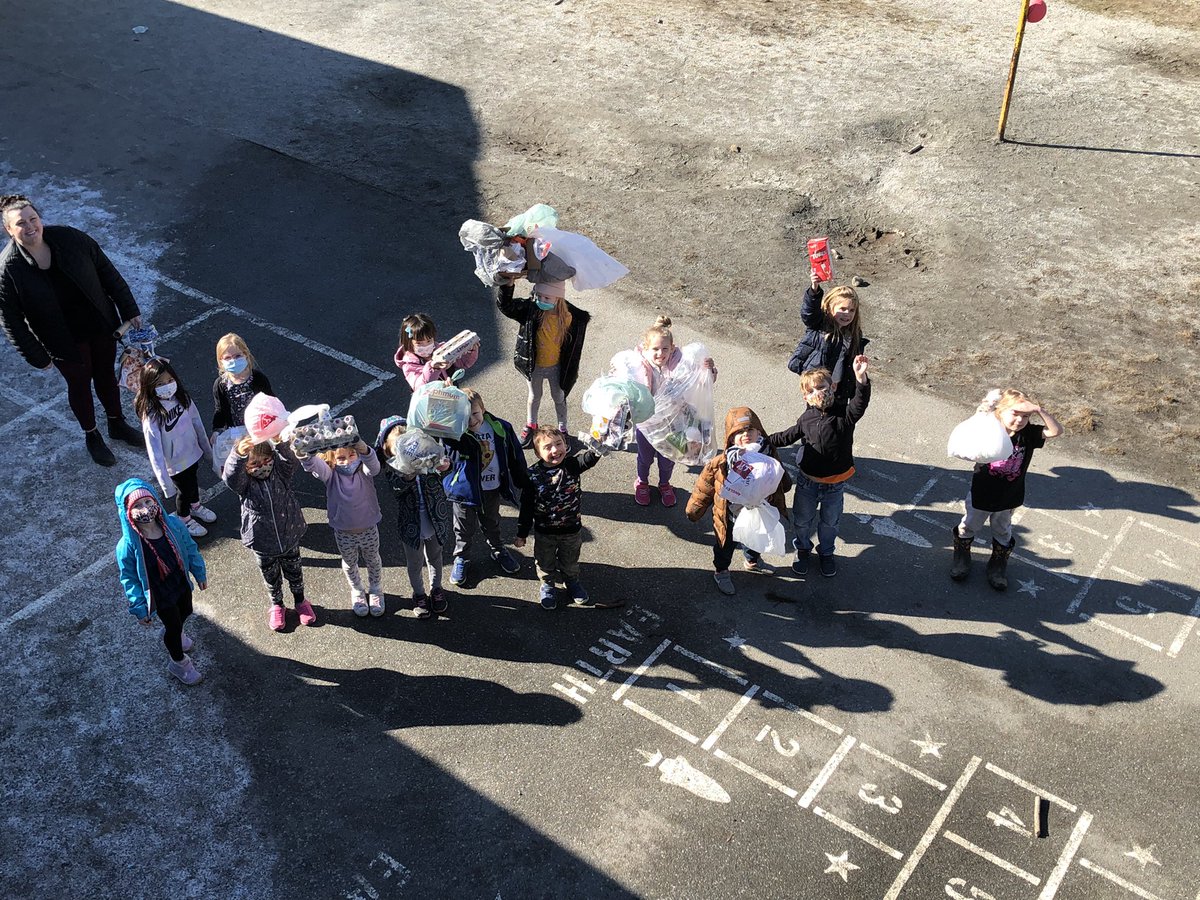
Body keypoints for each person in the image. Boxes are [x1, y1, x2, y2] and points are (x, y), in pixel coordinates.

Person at [0, 194, 144, 466]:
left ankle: (117, 424)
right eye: (20, 223)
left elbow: (106, 270)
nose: (30, 226)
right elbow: (11, 321)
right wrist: (38, 357)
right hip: (63, 341)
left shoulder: (71, 239)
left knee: (105, 376)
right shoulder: (8, 269)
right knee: (79, 385)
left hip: (100, 325)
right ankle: (92, 435)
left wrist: (129, 308)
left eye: (33, 219)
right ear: (8, 229)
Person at [951, 388, 1062, 590]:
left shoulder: (1028, 434)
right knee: (969, 525)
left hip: (1009, 496)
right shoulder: (991, 427)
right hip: (982, 493)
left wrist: (1039, 409)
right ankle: (961, 555)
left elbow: (1056, 431)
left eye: (1025, 416)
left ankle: (998, 563)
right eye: (1015, 413)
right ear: (1001, 412)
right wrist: (990, 405)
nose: (1020, 420)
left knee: (1002, 530)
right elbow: (979, 417)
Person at [768, 359, 871, 578]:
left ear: (832, 387)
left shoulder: (844, 415)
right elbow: (787, 436)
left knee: (829, 523)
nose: (818, 392)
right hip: (808, 482)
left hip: (835, 485)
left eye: (822, 387)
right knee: (803, 520)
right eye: (812, 390)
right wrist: (762, 441)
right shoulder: (806, 418)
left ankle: (826, 553)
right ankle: (802, 549)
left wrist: (861, 379)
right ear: (805, 397)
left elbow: (860, 403)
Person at [686, 408, 792, 596]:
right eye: (739, 432)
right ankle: (721, 570)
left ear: (759, 432)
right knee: (725, 547)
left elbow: (779, 473)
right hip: (729, 517)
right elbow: (704, 487)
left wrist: (784, 485)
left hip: (757, 512)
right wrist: (695, 508)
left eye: (750, 430)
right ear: (730, 438)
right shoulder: (722, 462)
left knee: (754, 540)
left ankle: (752, 561)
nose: (745, 435)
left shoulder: (768, 455)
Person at [114, 478, 208, 685]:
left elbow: (190, 548)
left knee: (186, 611)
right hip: (159, 592)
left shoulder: (173, 525)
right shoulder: (127, 546)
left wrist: (199, 572)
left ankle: (178, 630)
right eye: (137, 506)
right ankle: (179, 663)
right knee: (172, 627)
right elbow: (129, 578)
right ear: (127, 513)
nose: (145, 509)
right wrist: (139, 606)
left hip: (179, 581)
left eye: (148, 502)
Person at [223, 433, 315, 631]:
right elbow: (230, 478)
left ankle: (300, 601)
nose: (262, 465)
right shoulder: (244, 484)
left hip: (288, 535)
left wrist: (280, 443)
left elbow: (290, 460)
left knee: (295, 572)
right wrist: (237, 456)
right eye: (254, 462)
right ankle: (277, 605)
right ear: (245, 466)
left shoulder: (280, 473)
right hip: (262, 542)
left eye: (266, 459)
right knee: (271, 578)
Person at [625, 315, 717, 508]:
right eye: (655, 349)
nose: (660, 353)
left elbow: (699, 383)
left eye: (665, 349)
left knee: (668, 458)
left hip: (675, 424)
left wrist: (708, 370)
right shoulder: (639, 367)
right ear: (646, 348)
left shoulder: (681, 365)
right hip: (648, 423)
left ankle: (664, 484)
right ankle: (642, 482)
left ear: (673, 348)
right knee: (645, 456)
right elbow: (626, 384)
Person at [444, 388, 525, 586]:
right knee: (463, 528)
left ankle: (498, 549)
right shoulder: (454, 435)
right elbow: (445, 455)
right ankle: (461, 557)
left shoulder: (501, 428)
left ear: (483, 409)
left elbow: (515, 454)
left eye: (475, 413)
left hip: (491, 489)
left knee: (492, 522)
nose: (471, 421)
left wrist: (523, 479)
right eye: (464, 416)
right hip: (465, 492)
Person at [515, 426, 603, 609]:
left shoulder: (571, 465)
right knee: (544, 561)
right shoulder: (532, 476)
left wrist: (600, 445)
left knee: (570, 560)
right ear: (538, 453)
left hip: (571, 529)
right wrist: (522, 533)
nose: (555, 450)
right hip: (544, 531)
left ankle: (571, 581)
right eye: (548, 447)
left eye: (559, 443)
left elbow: (589, 458)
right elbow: (526, 507)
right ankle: (547, 584)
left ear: (565, 444)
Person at [496, 278, 590, 448]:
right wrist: (507, 286)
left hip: (558, 368)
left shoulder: (571, 318)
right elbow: (506, 307)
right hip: (535, 366)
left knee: (559, 397)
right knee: (534, 396)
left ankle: (563, 428)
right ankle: (531, 425)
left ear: (558, 298)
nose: (542, 301)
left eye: (547, 298)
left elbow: (573, 349)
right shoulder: (531, 311)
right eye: (539, 296)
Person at [377, 416, 453, 618]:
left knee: (436, 557)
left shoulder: (427, 458)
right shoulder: (393, 469)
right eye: (397, 447)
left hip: (435, 520)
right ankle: (419, 594)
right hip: (411, 526)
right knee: (414, 563)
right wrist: (407, 476)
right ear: (388, 450)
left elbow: (444, 470)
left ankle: (436, 589)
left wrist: (446, 466)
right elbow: (396, 490)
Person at [299, 438, 385, 617]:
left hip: (368, 528)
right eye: (341, 458)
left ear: (358, 454)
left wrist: (364, 448)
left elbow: (375, 466)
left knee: (373, 559)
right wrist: (303, 454)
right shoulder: (330, 474)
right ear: (332, 461)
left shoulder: (364, 470)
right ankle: (357, 590)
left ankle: (376, 589)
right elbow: (314, 464)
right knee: (349, 563)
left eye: (352, 455)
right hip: (344, 532)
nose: (347, 461)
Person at [135, 357, 216, 538]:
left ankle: (196, 507)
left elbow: (197, 422)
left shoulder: (183, 398)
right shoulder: (152, 414)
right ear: (150, 386)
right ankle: (184, 518)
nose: (167, 385)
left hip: (192, 453)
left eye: (170, 380)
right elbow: (154, 450)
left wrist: (207, 450)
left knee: (193, 482)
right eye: (161, 383)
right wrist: (165, 483)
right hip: (175, 462)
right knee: (183, 491)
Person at [787, 271, 869, 402]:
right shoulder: (820, 325)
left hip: (839, 388)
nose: (847, 314)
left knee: (838, 420)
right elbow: (809, 313)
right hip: (818, 386)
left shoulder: (853, 334)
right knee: (816, 418)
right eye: (842, 309)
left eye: (852, 310)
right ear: (830, 307)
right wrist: (814, 289)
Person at [210, 332, 273, 470]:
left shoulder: (257, 378)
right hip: (237, 433)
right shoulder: (221, 384)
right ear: (221, 361)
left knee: (263, 460)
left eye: (238, 356)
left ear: (246, 354)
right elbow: (220, 409)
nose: (233, 361)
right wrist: (217, 430)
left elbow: (271, 401)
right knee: (245, 464)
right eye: (228, 358)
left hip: (259, 429)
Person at [394, 313, 479, 391]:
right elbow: (420, 387)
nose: (425, 346)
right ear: (408, 342)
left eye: (429, 341)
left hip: (450, 392)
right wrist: (432, 368)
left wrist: (469, 350)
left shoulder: (442, 350)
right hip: (430, 401)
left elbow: (463, 363)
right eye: (419, 343)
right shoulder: (409, 365)